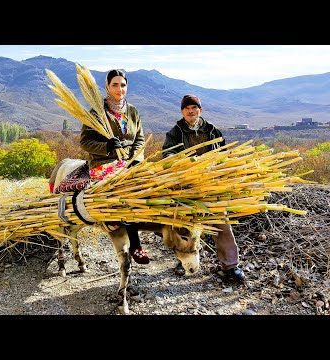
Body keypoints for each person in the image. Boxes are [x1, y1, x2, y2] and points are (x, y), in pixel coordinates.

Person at [161, 94, 245, 282]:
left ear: (200, 110)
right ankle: (183, 261)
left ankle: (230, 266)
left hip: (210, 186)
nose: (191, 111)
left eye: (194, 108)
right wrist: (184, 163)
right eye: (187, 108)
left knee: (221, 223)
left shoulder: (212, 131)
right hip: (186, 187)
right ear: (182, 112)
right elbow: (167, 155)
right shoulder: (175, 132)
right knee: (184, 227)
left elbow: (224, 154)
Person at [80, 69, 149, 264]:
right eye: (115, 85)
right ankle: (135, 245)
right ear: (107, 87)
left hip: (130, 161)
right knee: (125, 186)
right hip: (104, 162)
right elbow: (85, 142)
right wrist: (107, 147)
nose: (120, 89)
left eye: (123, 85)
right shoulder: (97, 112)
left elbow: (140, 139)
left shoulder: (133, 111)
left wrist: (136, 159)